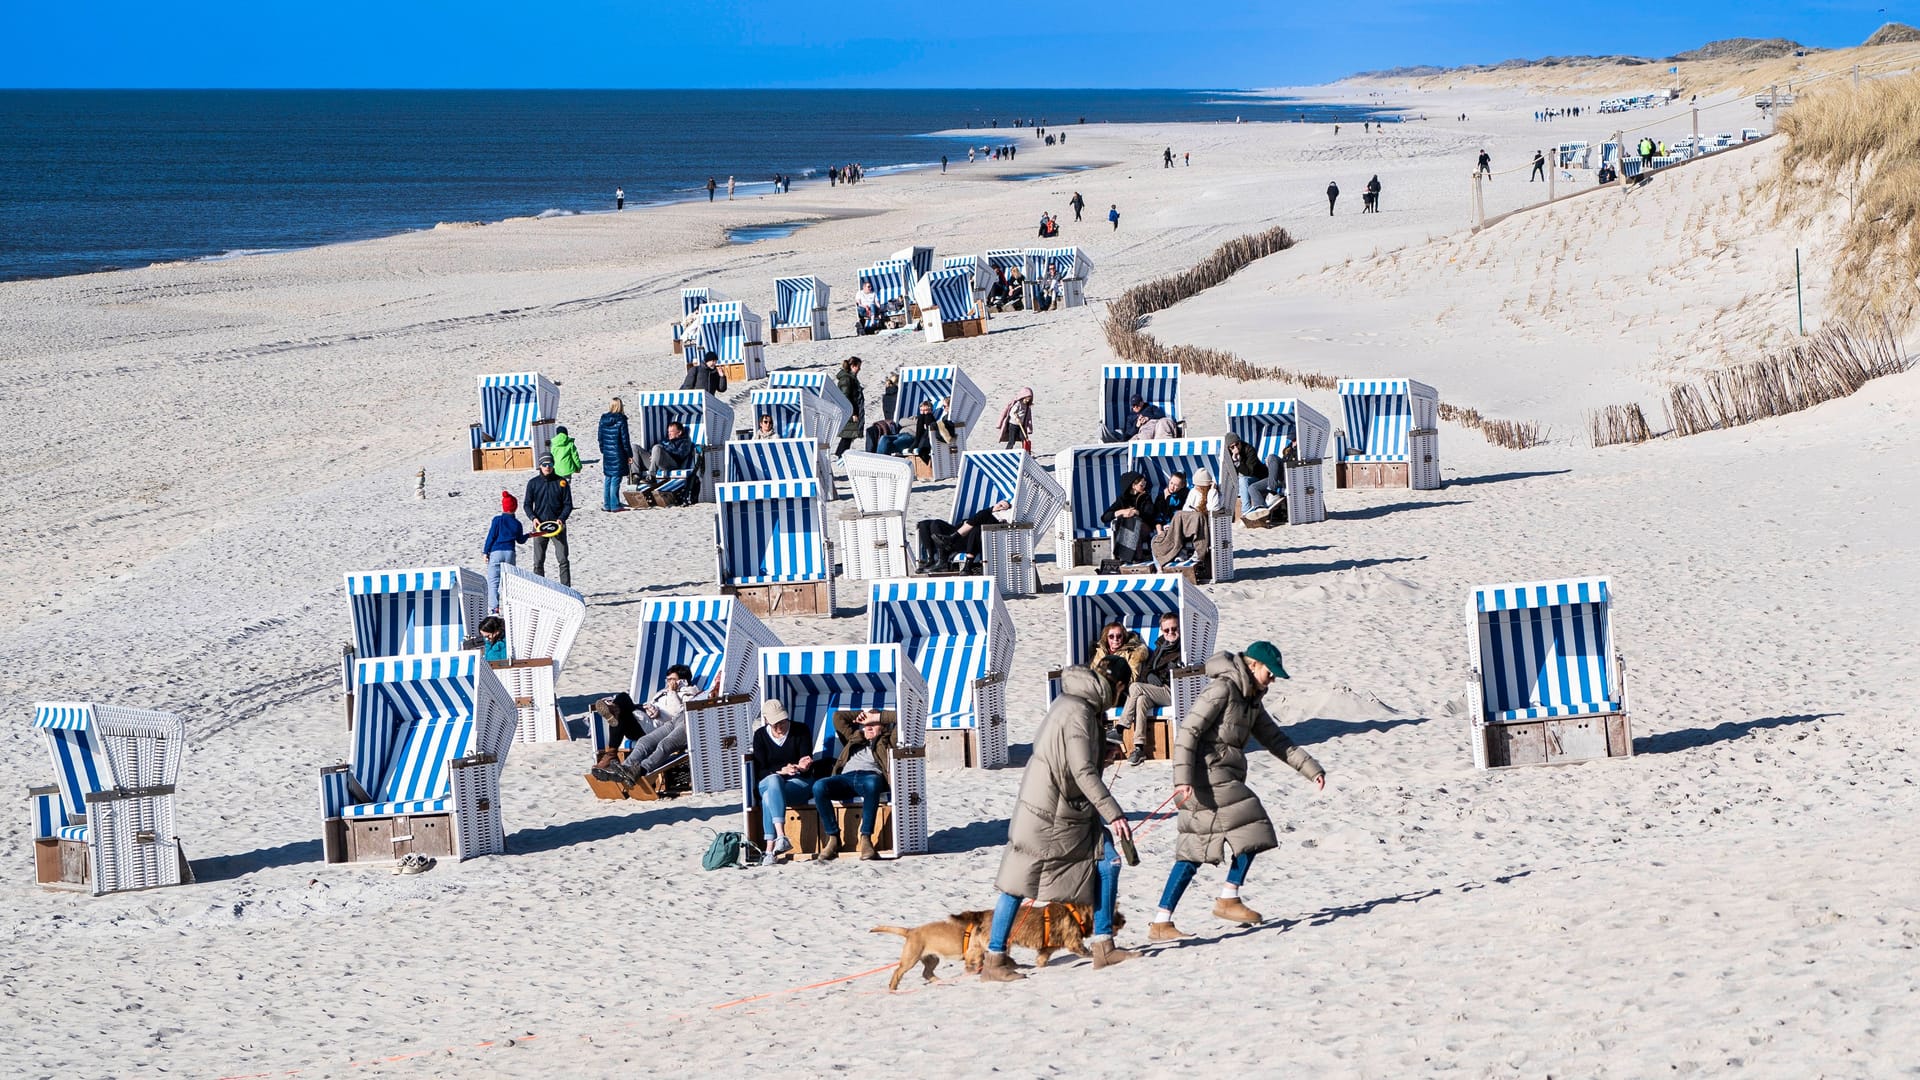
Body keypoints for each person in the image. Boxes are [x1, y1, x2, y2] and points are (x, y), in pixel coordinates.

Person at [1148, 641, 1325, 941]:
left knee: (1194, 849)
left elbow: (1276, 740)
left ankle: (1161, 921)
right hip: (1206, 774)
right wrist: (1182, 780)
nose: (1274, 679)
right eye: (1271, 672)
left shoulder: (1251, 699)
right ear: (1253, 664)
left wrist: (1311, 769)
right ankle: (1229, 897)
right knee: (1253, 823)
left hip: (1224, 775)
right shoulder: (1224, 689)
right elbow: (1188, 731)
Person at [978, 661, 1135, 982]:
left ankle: (1104, 944)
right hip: (1049, 812)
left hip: (1067, 809)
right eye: (1122, 690)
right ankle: (994, 960)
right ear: (1116, 685)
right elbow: (1081, 770)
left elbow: (1069, 754)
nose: (1120, 698)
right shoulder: (1078, 710)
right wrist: (1114, 813)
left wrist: (1102, 749)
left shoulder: (1078, 704)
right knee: (1017, 883)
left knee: (1109, 862)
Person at [589, 664, 706, 789]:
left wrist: (672, 692)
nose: (668, 682)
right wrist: (647, 706)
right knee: (623, 700)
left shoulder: (690, 692)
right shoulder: (663, 692)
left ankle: (627, 764)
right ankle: (623, 768)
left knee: (662, 743)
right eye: (668, 679)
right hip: (645, 718)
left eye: (672, 679)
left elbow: (678, 711)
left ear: (682, 680)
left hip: (655, 724)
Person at [812, 709, 894, 860]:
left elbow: (902, 717)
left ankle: (866, 838)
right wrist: (864, 716)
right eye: (865, 724)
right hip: (846, 778)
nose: (868, 727)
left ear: (883, 727)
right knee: (819, 786)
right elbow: (838, 716)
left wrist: (878, 716)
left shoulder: (888, 740)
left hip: (870, 776)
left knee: (872, 783)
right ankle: (834, 838)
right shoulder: (854, 737)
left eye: (873, 724)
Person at [753, 700, 817, 865]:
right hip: (770, 780)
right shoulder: (760, 735)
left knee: (768, 797)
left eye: (782, 721)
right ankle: (781, 836)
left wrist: (802, 766)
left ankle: (769, 850)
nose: (780, 726)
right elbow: (760, 771)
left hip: (797, 781)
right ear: (767, 720)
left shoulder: (800, 730)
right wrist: (782, 770)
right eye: (775, 723)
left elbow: (806, 762)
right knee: (773, 781)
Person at [1120, 613, 1183, 765]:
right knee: (1141, 700)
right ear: (1162, 630)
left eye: (1174, 629)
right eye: (1166, 630)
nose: (1170, 633)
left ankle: (1120, 729)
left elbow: (1182, 670)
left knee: (1135, 687)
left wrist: (1168, 672)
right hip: (1157, 690)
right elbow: (1147, 669)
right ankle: (1139, 748)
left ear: (1179, 628)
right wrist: (1149, 676)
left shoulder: (1183, 647)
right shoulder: (1161, 646)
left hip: (1173, 690)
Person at [1151, 469, 1221, 572]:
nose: (1172, 487)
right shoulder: (1163, 496)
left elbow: (1210, 508)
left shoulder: (1185, 494)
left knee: (1189, 517)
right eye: (1171, 483)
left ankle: (1166, 564)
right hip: (1172, 525)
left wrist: (1212, 491)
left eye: (1176, 485)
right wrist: (1165, 499)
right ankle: (1160, 568)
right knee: (1156, 539)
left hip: (1185, 527)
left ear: (1182, 485)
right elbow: (1159, 515)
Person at [915, 500, 1013, 572]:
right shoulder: (988, 513)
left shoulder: (994, 518)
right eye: (999, 504)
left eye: (1003, 506)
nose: (1000, 507)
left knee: (936, 523)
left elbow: (982, 520)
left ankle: (943, 561)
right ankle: (931, 559)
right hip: (957, 532)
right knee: (926, 524)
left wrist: (993, 510)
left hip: (965, 541)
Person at [524, 454, 572, 587]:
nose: (547, 467)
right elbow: (527, 504)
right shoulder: (533, 483)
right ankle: (540, 589)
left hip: (558, 527)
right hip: (539, 528)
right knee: (538, 562)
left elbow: (568, 504)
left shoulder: (561, 482)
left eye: (550, 464)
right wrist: (533, 518)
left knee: (563, 560)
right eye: (544, 465)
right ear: (540, 466)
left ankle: (566, 590)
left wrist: (562, 519)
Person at [481, 491, 527, 611]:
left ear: (503, 507)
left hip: (496, 552)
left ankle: (494, 608)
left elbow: (491, 536)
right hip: (509, 552)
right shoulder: (517, 523)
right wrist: (528, 535)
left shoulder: (497, 520)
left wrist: (486, 552)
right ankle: (508, 606)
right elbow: (520, 540)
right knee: (508, 580)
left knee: (493, 581)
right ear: (515, 508)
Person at [1101, 472, 1156, 566]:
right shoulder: (1122, 499)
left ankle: (1129, 557)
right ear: (1133, 485)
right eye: (1141, 485)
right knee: (1130, 520)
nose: (1144, 486)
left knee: (1134, 520)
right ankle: (1137, 557)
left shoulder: (1145, 497)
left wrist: (1137, 513)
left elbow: (1150, 515)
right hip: (1128, 530)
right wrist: (1122, 512)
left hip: (1144, 528)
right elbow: (1104, 517)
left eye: (1145, 484)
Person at [635, 419, 698, 490]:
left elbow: (680, 455)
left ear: (679, 432)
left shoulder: (685, 442)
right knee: (635, 447)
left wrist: (662, 451)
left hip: (671, 464)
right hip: (656, 462)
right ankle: (635, 476)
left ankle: (651, 477)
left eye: (671, 432)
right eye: (668, 432)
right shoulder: (666, 440)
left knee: (657, 447)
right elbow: (653, 449)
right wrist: (653, 454)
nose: (669, 434)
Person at [596, 398, 634, 512]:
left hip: (608, 452)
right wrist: (629, 454)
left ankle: (607, 504)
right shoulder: (621, 420)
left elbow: (600, 437)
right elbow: (625, 439)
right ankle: (615, 504)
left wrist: (603, 449)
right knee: (616, 479)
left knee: (608, 477)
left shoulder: (603, 419)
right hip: (618, 452)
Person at [834, 357, 865, 456]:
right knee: (847, 435)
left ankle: (841, 454)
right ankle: (840, 455)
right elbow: (846, 397)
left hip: (850, 411)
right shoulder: (846, 379)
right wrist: (853, 413)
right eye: (858, 367)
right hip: (849, 412)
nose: (859, 369)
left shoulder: (850, 378)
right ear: (853, 366)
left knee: (849, 435)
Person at [997, 387, 1034, 453]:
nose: (1027, 401)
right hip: (1013, 425)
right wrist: (1016, 418)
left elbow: (1028, 417)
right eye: (1027, 399)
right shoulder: (1018, 404)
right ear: (1023, 397)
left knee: (1024, 439)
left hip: (1021, 425)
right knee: (1012, 440)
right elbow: (1012, 412)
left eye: (1029, 399)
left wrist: (1028, 426)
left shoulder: (1027, 406)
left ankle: (1026, 452)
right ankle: (1007, 452)